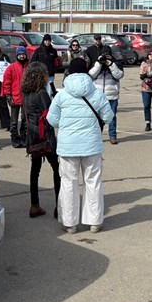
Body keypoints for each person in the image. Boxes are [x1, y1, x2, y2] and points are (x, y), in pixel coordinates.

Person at [47, 58, 114, 234]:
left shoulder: (61, 94)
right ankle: (94, 221)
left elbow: (52, 120)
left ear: (69, 72)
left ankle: (70, 223)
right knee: (93, 182)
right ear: (86, 72)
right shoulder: (96, 93)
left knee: (69, 183)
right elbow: (108, 116)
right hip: (91, 146)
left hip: (68, 146)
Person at [22, 62, 60, 219]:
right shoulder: (41, 93)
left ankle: (34, 204)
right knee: (57, 169)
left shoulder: (25, 93)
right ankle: (60, 206)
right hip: (45, 136)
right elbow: (49, 115)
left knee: (35, 170)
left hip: (32, 135)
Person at [89, 49, 124, 145]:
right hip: (98, 95)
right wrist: (99, 63)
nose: (106, 57)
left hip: (112, 95)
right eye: (104, 55)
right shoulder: (97, 63)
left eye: (107, 55)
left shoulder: (115, 63)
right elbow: (91, 74)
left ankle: (112, 136)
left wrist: (111, 65)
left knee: (112, 117)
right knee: (97, 117)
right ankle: (97, 136)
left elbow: (119, 75)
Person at [1, 46, 29, 148]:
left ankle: (23, 137)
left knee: (25, 120)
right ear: (17, 55)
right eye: (19, 54)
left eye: (23, 54)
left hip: (26, 98)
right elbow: (6, 83)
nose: (21, 56)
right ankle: (15, 138)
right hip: (15, 97)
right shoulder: (11, 68)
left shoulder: (29, 67)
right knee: (14, 121)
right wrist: (8, 96)